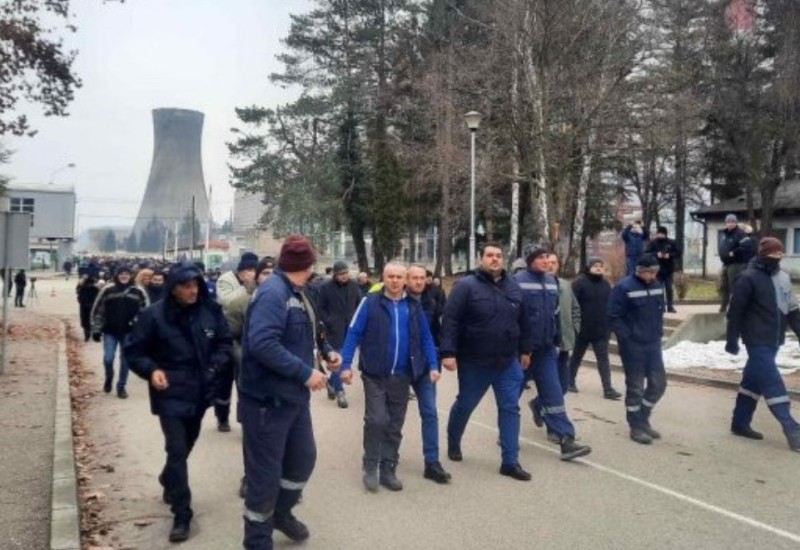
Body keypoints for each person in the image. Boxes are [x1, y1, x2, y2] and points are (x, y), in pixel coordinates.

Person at [239, 235, 341, 549]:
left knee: (302, 460)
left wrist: (326, 353)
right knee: (265, 476)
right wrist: (305, 373)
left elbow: (311, 330)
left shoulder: (299, 292)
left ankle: (281, 513)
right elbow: (262, 344)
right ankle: (257, 539)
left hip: (293, 398)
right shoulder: (273, 293)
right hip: (267, 402)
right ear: (309, 265)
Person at [125, 262, 233, 542]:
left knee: (187, 443)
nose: (192, 290)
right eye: (186, 285)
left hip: (200, 391)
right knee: (175, 448)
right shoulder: (153, 316)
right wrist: (152, 371)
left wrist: (214, 366)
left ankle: (168, 478)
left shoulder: (210, 312)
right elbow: (134, 352)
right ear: (173, 288)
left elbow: (224, 343)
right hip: (169, 391)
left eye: (195, 284)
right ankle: (182, 514)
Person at [340, 263, 440, 491]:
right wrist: (346, 365)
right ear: (383, 278)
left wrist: (433, 365)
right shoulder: (370, 302)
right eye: (390, 276)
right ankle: (370, 465)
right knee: (376, 420)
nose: (395, 280)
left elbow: (426, 338)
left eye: (399, 277)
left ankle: (388, 468)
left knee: (395, 424)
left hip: (402, 376)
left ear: (405, 279)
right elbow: (354, 332)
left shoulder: (413, 306)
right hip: (375, 374)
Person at [441, 242, 534, 480]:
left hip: (507, 362)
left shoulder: (514, 287)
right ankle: (454, 440)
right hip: (474, 361)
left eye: (499, 256)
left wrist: (526, 350)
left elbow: (523, 321)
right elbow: (450, 321)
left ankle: (510, 461)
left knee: (510, 408)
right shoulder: (465, 286)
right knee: (465, 405)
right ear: (481, 259)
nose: (495, 259)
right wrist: (448, 352)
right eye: (490, 255)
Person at [516, 245, 591, 459]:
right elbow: (513, 318)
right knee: (511, 396)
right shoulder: (517, 282)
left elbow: (555, 314)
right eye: (540, 257)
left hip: (547, 351)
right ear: (530, 260)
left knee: (554, 394)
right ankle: (507, 433)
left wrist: (559, 340)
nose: (546, 261)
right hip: (522, 353)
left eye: (547, 257)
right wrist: (521, 348)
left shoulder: (552, 283)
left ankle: (567, 440)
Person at [725, 237, 800, 451]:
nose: (777, 259)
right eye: (773, 255)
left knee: (753, 381)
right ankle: (791, 427)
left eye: (780, 255)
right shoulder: (747, 278)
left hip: (775, 339)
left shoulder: (784, 278)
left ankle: (740, 423)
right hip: (756, 339)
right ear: (762, 255)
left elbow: (793, 311)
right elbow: (735, 312)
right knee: (772, 381)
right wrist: (732, 339)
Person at [223, 256, 276, 499]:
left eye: (274, 273)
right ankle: (250, 476)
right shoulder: (240, 301)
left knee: (278, 427)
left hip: (280, 374)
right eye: (265, 273)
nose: (269, 277)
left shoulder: (288, 298)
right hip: (249, 373)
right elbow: (229, 337)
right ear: (256, 275)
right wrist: (243, 358)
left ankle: (277, 476)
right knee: (253, 428)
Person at [607, 254, 667, 445]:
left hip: (653, 343)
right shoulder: (624, 287)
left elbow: (659, 312)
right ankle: (635, 426)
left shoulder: (658, 286)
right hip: (633, 345)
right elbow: (613, 315)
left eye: (654, 272)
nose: (651, 275)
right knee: (635, 387)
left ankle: (643, 417)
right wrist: (626, 337)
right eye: (648, 272)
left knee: (659, 384)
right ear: (640, 270)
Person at [404, 264, 451, 483]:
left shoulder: (433, 299)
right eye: (414, 278)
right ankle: (385, 458)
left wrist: (444, 354)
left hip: (425, 366)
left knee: (430, 412)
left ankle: (432, 462)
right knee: (390, 416)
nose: (419, 281)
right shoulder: (396, 300)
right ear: (406, 279)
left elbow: (443, 329)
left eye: (422, 278)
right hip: (400, 365)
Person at [215, 252, 260, 431]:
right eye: (249, 269)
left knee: (245, 381)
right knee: (224, 381)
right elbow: (227, 302)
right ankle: (222, 417)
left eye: (254, 270)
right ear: (242, 270)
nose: (252, 273)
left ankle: (245, 419)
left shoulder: (259, 283)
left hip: (247, 335)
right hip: (227, 335)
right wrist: (247, 288)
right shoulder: (226, 280)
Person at [90, 265, 149, 398]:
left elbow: (146, 312)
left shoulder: (138, 291)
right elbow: (98, 310)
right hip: (110, 331)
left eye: (126, 274)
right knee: (108, 359)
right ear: (117, 275)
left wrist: (140, 327)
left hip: (129, 332)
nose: (124, 276)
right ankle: (109, 378)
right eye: (121, 273)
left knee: (125, 360)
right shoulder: (108, 289)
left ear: (131, 275)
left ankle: (121, 386)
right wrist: (96, 329)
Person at [568, 258, 621, 399]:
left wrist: (609, 327)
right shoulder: (579, 283)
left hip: (601, 330)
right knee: (576, 357)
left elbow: (610, 306)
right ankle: (569, 382)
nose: (598, 268)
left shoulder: (606, 285)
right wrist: (574, 326)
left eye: (601, 266)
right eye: (595, 266)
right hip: (582, 330)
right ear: (588, 267)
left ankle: (608, 389)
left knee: (603, 359)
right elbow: (572, 305)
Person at [317, 260, 362, 409]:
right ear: (335, 275)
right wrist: (328, 320)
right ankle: (340, 392)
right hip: (333, 329)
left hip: (350, 328)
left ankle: (331, 383)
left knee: (345, 359)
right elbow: (320, 308)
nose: (344, 276)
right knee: (339, 360)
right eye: (341, 274)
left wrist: (357, 320)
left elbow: (359, 304)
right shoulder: (325, 288)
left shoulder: (354, 285)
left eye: (346, 273)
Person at [546, 252, 581, 394]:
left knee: (563, 385)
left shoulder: (566, 285)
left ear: (558, 266)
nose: (550, 265)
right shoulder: (537, 285)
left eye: (554, 263)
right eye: (548, 262)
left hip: (563, 342)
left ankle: (539, 406)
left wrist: (575, 329)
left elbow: (575, 309)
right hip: (544, 344)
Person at [646, 226, 682, 313]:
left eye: (662, 234)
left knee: (669, 288)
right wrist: (656, 254)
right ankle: (661, 306)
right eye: (659, 233)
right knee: (659, 289)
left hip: (668, 269)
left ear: (665, 234)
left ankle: (670, 306)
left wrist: (669, 255)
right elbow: (647, 253)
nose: (660, 235)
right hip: (657, 270)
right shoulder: (653, 243)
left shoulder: (671, 242)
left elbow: (678, 252)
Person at [717, 213, 748, 313]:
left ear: (736, 223)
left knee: (734, 287)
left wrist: (733, 252)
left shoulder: (740, 234)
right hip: (726, 264)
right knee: (724, 287)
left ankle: (736, 309)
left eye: (732, 222)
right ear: (726, 223)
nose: (730, 224)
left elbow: (745, 246)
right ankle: (723, 308)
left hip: (736, 264)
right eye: (728, 222)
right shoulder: (724, 234)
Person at [76, 275, 101, 341]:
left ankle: (87, 335)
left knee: (86, 322)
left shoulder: (82, 289)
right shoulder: (96, 289)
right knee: (94, 321)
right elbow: (99, 298)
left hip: (84, 308)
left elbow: (79, 298)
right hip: (94, 307)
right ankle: (95, 335)